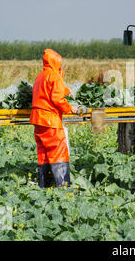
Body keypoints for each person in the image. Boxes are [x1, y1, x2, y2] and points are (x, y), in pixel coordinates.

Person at [29, 48, 79, 188]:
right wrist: (70, 109)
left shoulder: (40, 76)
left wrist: (66, 88)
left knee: (43, 154)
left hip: (38, 121)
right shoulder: (54, 76)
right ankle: (62, 187)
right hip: (50, 121)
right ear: (56, 62)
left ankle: (44, 186)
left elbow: (49, 91)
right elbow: (57, 98)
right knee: (58, 152)